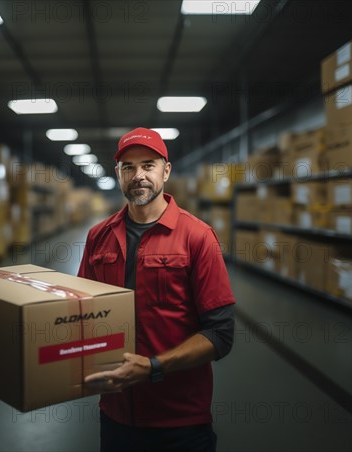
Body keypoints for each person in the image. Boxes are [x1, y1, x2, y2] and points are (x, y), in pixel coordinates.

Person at [78, 127, 236, 452]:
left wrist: (153, 368)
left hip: (180, 420)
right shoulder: (98, 237)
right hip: (116, 414)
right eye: (129, 167)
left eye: (148, 165)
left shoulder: (198, 237)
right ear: (118, 174)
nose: (139, 175)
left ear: (166, 170)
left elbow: (220, 334)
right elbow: (80, 315)